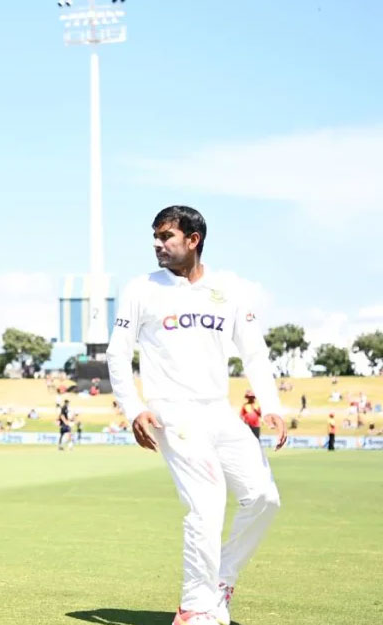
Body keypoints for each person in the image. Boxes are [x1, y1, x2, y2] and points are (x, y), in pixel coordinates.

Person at [107, 205, 286, 625]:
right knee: (206, 503)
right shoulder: (141, 288)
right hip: (172, 412)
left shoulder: (228, 289)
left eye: (166, 236)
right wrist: (134, 408)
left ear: (193, 240)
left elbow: (254, 352)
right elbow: (117, 354)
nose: (158, 244)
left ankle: (220, 583)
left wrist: (272, 405)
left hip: (218, 410)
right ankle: (193, 607)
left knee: (264, 498)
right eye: (155, 237)